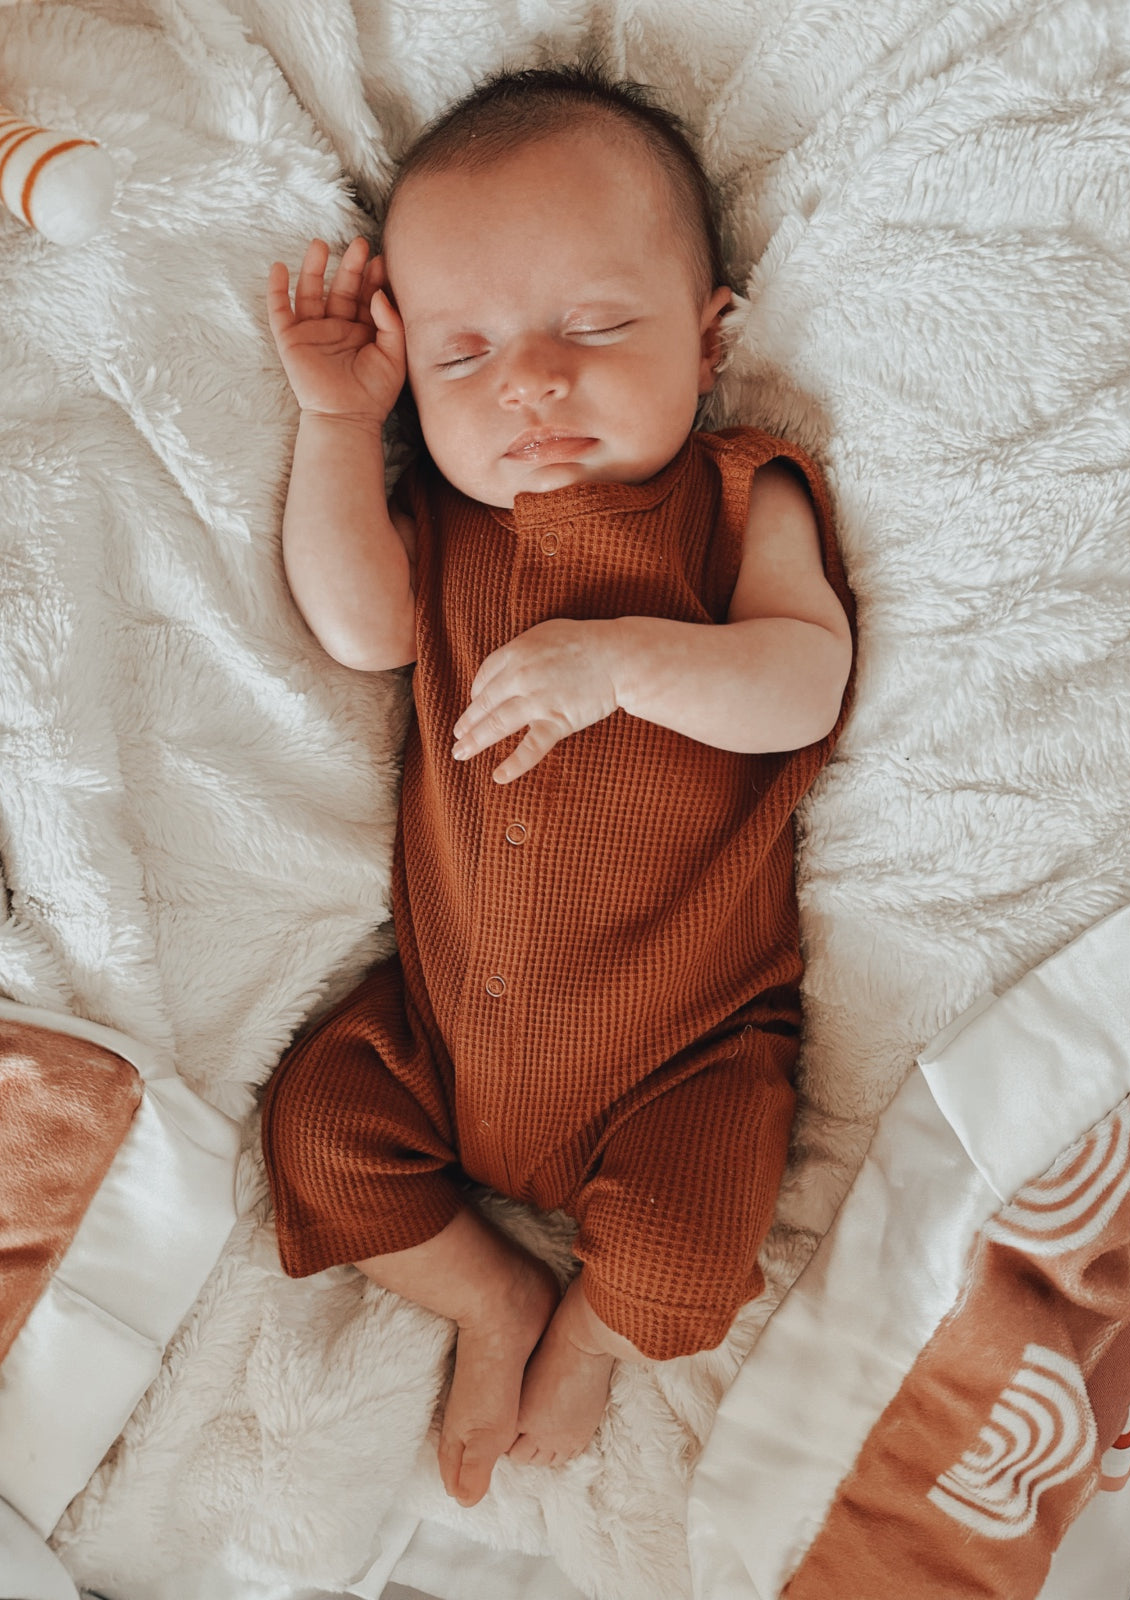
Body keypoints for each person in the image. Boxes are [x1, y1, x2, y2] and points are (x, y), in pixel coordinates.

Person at [260, 63, 856, 1511]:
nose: (531, 380)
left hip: (690, 1052)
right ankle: (488, 1300)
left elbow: (805, 679)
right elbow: (353, 629)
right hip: (439, 1041)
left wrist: (629, 660)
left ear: (711, 341)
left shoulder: (735, 493)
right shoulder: (450, 530)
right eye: (461, 359)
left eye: (595, 327)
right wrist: (342, 428)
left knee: (682, 1260)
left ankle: (585, 1323)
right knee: (317, 1139)